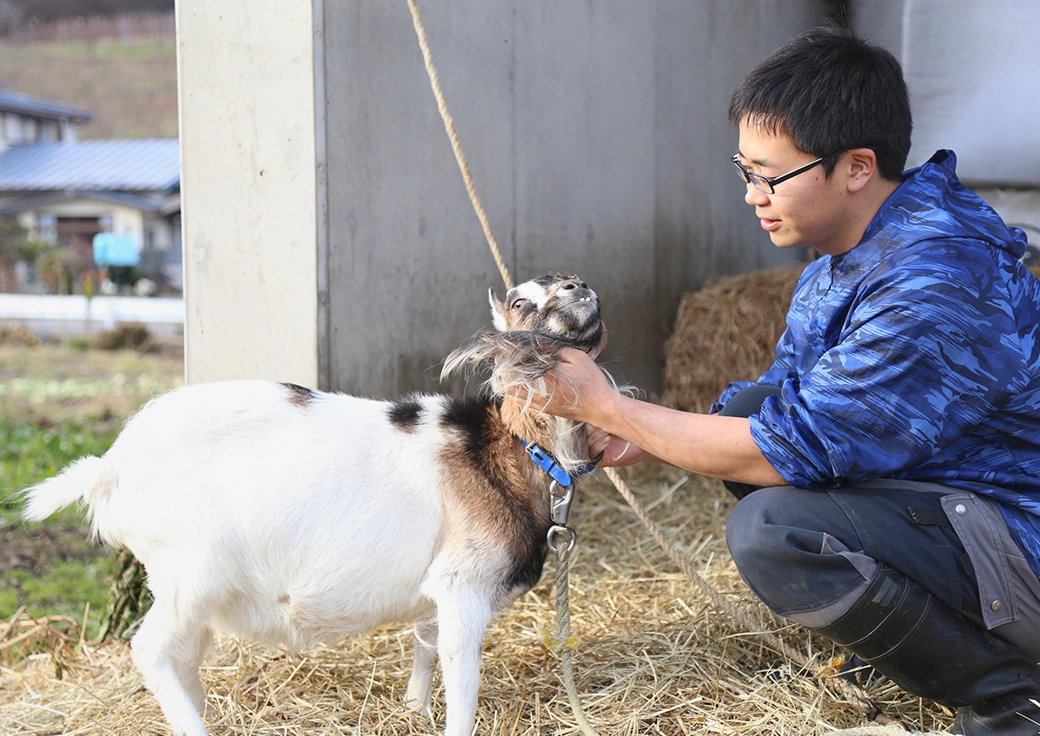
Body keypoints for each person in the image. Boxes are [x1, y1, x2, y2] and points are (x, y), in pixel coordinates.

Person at [523, 21, 1040, 736]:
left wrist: (611, 406)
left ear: (856, 167)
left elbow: (784, 450)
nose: (751, 195)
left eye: (769, 175)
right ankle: (918, 641)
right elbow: (785, 407)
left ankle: (1009, 698)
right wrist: (645, 437)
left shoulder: (933, 280)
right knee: (756, 407)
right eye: (744, 171)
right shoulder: (848, 255)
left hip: (1022, 542)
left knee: (776, 531)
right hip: (962, 506)